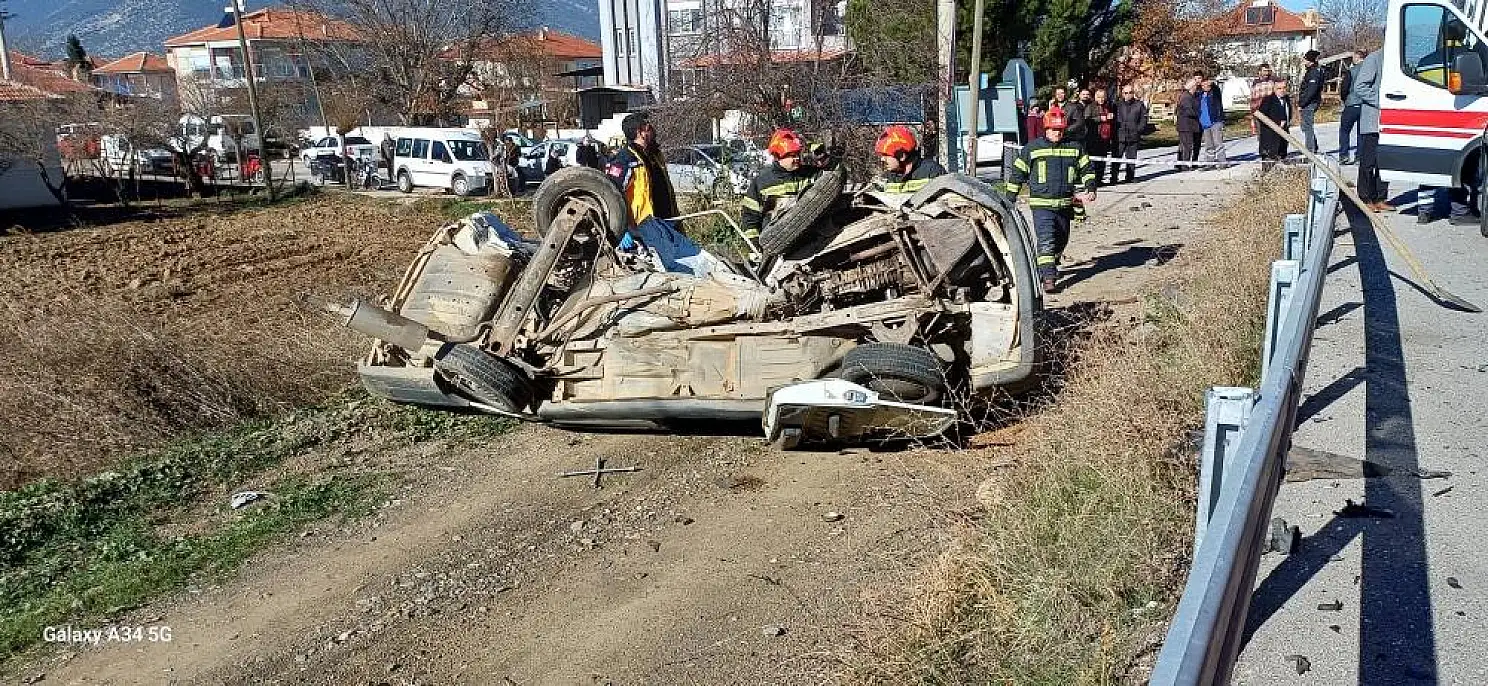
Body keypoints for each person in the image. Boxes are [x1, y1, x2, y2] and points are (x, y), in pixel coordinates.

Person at [1004, 109, 1095, 294]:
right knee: (1046, 240)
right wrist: (1009, 199)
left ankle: (1047, 266)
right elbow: (1017, 174)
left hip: (1065, 205)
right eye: (1054, 130)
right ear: (1046, 129)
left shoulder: (1075, 148)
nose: (1057, 133)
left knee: (1061, 240)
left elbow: (1087, 169)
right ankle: (1048, 278)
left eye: (1060, 130)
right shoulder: (1032, 149)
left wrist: (1091, 187)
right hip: (1042, 206)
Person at [740, 128, 820, 240]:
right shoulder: (761, 182)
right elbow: (749, 217)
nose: (797, 158)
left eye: (798, 154)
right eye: (792, 155)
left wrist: (824, 157)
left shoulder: (810, 173)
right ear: (778, 157)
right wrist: (754, 242)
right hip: (777, 242)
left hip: (811, 238)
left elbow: (831, 180)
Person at [606, 112, 680, 229]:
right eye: (649, 128)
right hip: (642, 229)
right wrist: (624, 229)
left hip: (667, 223)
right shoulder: (625, 160)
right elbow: (611, 196)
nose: (653, 131)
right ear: (640, 132)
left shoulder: (655, 156)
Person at [1352, 48, 1392, 211]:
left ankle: (1380, 197)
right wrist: (1382, 101)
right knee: (1368, 162)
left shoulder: (1396, 58)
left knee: (1385, 161)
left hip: (1390, 122)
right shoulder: (1374, 58)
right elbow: (1360, 86)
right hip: (1373, 121)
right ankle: (1365, 197)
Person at [874, 125, 946, 194]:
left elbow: (948, 198)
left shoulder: (932, 172)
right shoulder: (887, 178)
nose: (882, 159)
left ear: (901, 156)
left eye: (886, 155)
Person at [1113, 84, 1149, 184]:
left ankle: (1130, 177)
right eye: (1126, 93)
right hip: (1120, 136)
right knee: (1116, 158)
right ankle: (1114, 177)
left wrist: (1138, 130)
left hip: (1133, 136)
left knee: (1131, 158)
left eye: (1130, 92)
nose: (1128, 95)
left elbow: (1143, 119)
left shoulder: (1139, 104)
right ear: (1122, 94)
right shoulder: (1117, 105)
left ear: (1133, 93)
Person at [1258, 80, 1295, 173]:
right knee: (1268, 169)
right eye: (1279, 88)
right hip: (1270, 139)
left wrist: (1288, 122)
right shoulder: (1268, 100)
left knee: (1281, 169)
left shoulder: (1286, 98)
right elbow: (1260, 117)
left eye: (1284, 88)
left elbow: (1287, 113)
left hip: (1283, 138)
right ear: (1274, 89)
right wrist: (1277, 123)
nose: (1282, 90)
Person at [1338, 50, 1365, 164]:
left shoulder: (1351, 71)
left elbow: (1344, 88)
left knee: (1344, 130)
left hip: (1351, 103)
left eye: (1354, 57)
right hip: (1365, 104)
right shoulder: (1369, 70)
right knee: (1361, 132)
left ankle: (1344, 155)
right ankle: (1359, 156)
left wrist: (1344, 99)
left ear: (1358, 57)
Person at [1086, 88, 1116, 185]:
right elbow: (1086, 120)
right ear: (1095, 97)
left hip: (1105, 137)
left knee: (1103, 159)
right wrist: (1100, 118)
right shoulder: (1090, 106)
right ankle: (1092, 180)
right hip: (1094, 137)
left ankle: (1099, 179)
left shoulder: (1108, 106)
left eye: (1103, 97)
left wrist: (1112, 117)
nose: (1101, 99)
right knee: (1094, 160)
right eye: (1099, 97)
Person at [1298, 50, 1324, 154]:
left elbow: (1311, 91)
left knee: (1307, 126)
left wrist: (1302, 104)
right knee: (1305, 126)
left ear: (1310, 60)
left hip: (1310, 103)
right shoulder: (1312, 71)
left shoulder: (1314, 73)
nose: (1304, 61)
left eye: (1305, 59)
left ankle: (1310, 150)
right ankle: (1314, 147)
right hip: (1310, 102)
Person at [1198, 75, 1227, 167]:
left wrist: (1212, 84)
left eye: (1206, 84)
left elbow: (1216, 88)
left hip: (1215, 121)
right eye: (1203, 85)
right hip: (1205, 124)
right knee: (1208, 145)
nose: (1205, 86)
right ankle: (1210, 163)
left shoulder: (1214, 93)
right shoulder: (1200, 94)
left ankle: (1222, 162)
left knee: (1218, 143)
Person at [1175, 74, 1203, 163]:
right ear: (1192, 87)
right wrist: (1199, 113)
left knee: (1184, 146)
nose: (1196, 88)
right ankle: (1184, 164)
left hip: (1189, 125)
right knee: (1187, 146)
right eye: (1195, 86)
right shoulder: (1186, 97)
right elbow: (1188, 111)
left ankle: (1181, 163)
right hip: (1186, 126)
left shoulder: (1190, 96)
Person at [1249, 64, 1280, 136]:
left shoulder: (1273, 81)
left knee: (1273, 134)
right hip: (1259, 112)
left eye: (1268, 71)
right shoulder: (1255, 83)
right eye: (1264, 71)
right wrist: (1253, 112)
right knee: (1261, 135)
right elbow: (1253, 99)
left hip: (1272, 112)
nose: (1266, 73)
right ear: (1260, 72)